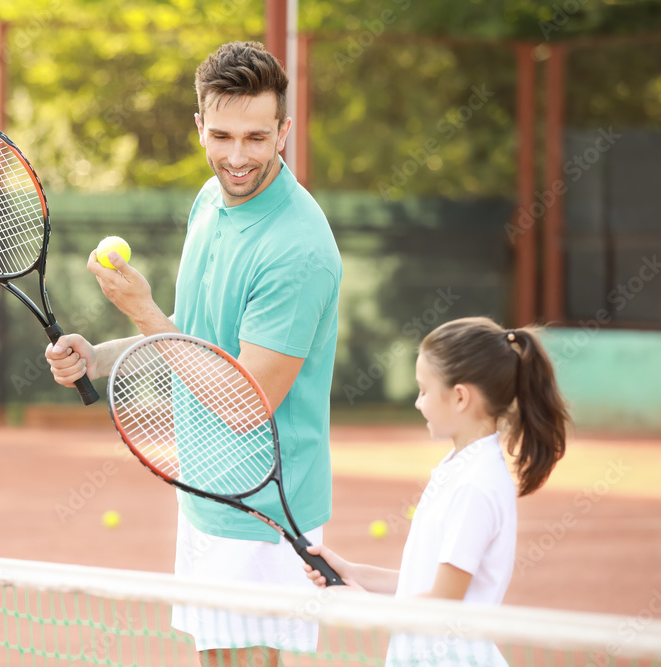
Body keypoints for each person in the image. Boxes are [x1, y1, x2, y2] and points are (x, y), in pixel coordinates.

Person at [46, 41, 342, 666]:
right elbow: (196, 338)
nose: (238, 157)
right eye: (224, 135)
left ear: (284, 132)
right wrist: (99, 356)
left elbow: (245, 402)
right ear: (199, 127)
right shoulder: (210, 202)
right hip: (207, 492)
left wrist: (145, 314)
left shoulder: (297, 249)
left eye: (258, 138)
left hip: (264, 507)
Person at [304, 317, 569, 666]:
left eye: (424, 390)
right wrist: (354, 573)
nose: (418, 402)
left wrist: (363, 606)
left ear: (460, 397)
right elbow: (424, 583)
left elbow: (442, 601)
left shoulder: (476, 485)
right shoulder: (459, 467)